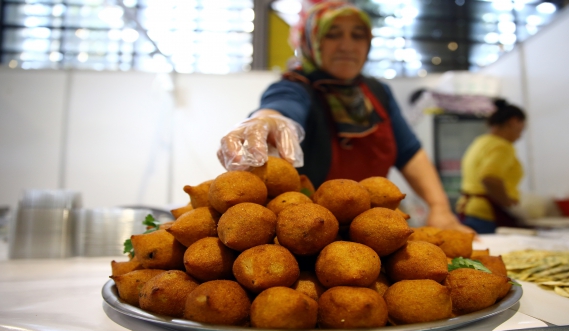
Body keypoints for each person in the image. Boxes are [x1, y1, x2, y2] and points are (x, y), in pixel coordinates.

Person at [217, 1, 473, 234]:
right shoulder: (296, 86)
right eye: (333, 34)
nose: (347, 46)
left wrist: (439, 207)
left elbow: (409, 152)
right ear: (311, 40)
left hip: (376, 231)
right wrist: (265, 119)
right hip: (308, 234)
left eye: (358, 35)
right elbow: (282, 105)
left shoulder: (377, 93)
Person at [456, 99, 527, 234]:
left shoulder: (480, 142)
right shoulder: (502, 146)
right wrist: (510, 207)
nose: (520, 136)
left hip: (468, 210)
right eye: (522, 129)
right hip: (487, 215)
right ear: (514, 121)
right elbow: (489, 178)